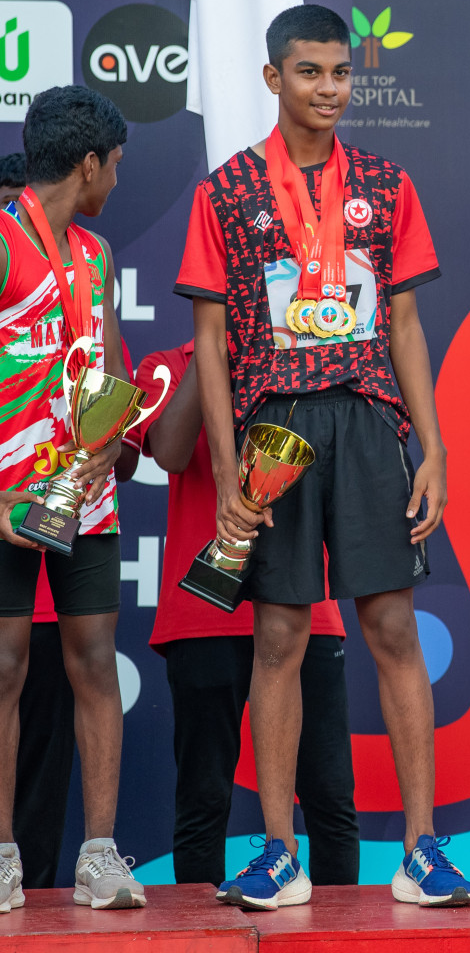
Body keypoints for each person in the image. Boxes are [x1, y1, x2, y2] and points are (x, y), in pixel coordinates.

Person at [173, 4, 470, 910]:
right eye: (310, 72)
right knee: (279, 636)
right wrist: (229, 475)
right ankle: (277, 852)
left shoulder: (385, 184)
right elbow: (213, 344)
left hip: (368, 422)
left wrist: (433, 446)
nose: (330, 89)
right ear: (274, 79)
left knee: (390, 628)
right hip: (276, 431)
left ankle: (423, 852)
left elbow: (409, 327)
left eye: (342, 73)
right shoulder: (225, 191)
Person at [126, 338, 359, 887]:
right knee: (204, 799)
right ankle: (202, 942)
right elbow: (171, 452)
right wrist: (217, 352)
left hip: (304, 608)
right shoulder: (166, 364)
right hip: (203, 613)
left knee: (329, 797)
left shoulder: (300, 355)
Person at [0, 85, 146, 910]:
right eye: (115, 166)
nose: (117, 181)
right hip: (6, 499)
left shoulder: (96, 253)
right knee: (5, 667)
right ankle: (2, 858)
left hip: (83, 497)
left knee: (93, 660)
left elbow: (111, 363)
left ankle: (99, 856)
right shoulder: (2, 241)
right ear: (87, 164)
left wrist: (118, 435)